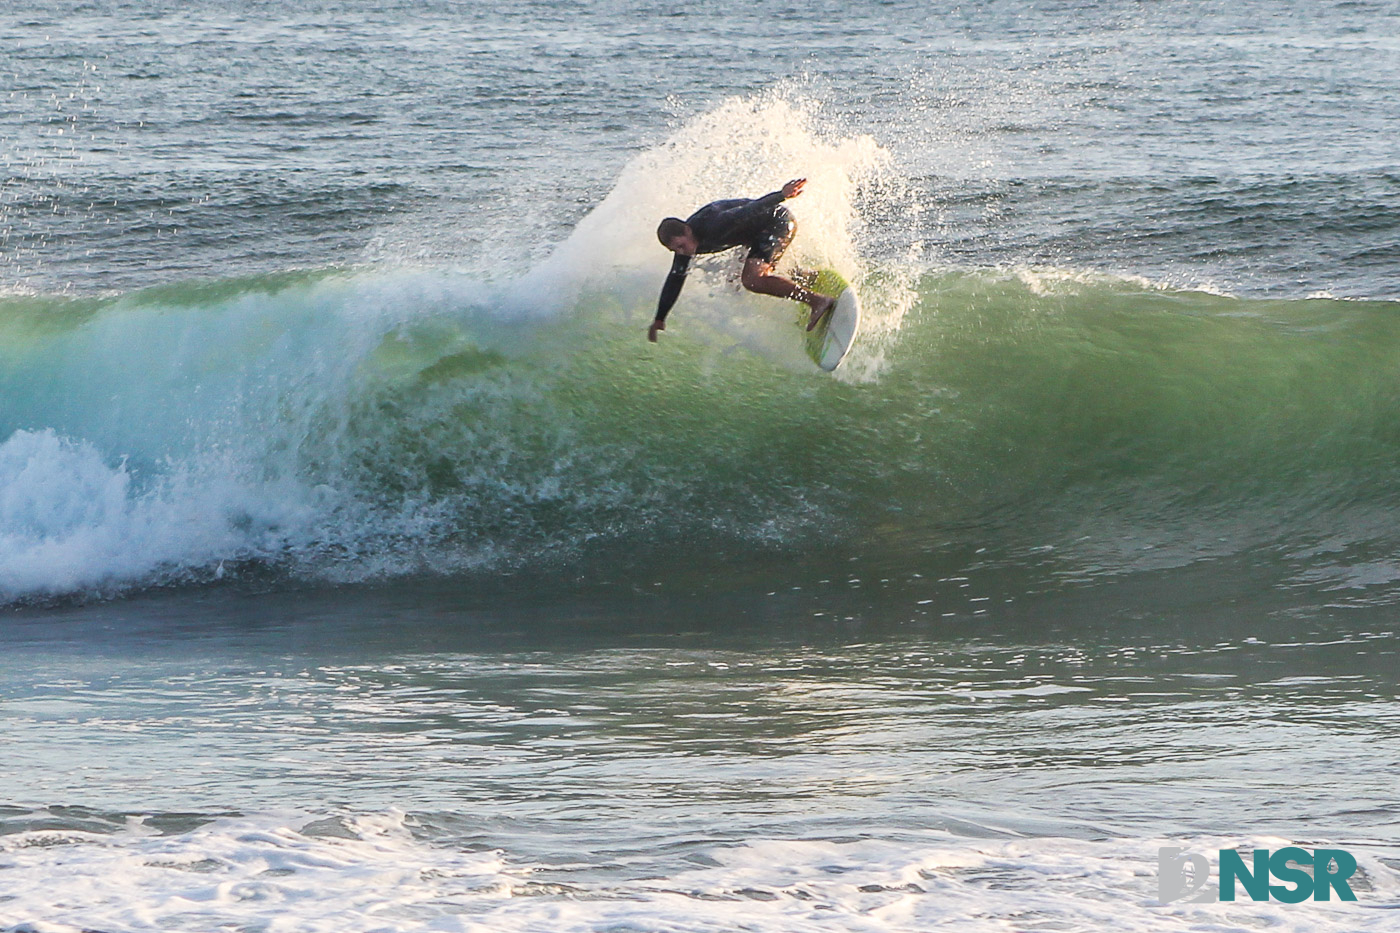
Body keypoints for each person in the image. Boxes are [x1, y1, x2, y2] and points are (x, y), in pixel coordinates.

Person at [648, 178, 835, 342]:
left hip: (777, 222)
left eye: (681, 246)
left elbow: (749, 210)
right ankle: (804, 278)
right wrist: (660, 318)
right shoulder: (685, 248)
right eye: (675, 250)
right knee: (733, 284)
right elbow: (675, 278)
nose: (682, 252)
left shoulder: (715, 224)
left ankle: (817, 301)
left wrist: (781, 194)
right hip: (754, 234)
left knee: (752, 279)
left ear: (687, 230)